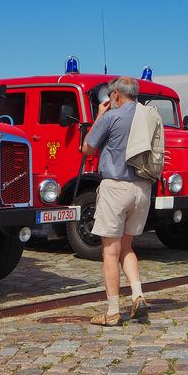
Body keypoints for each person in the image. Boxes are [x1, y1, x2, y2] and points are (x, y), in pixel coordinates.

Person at [81, 76, 159, 326]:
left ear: (115, 95)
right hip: (142, 188)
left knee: (110, 251)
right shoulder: (149, 115)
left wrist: (98, 116)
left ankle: (113, 311)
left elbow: (87, 148)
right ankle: (138, 295)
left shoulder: (111, 117)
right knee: (127, 247)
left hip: (116, 188)